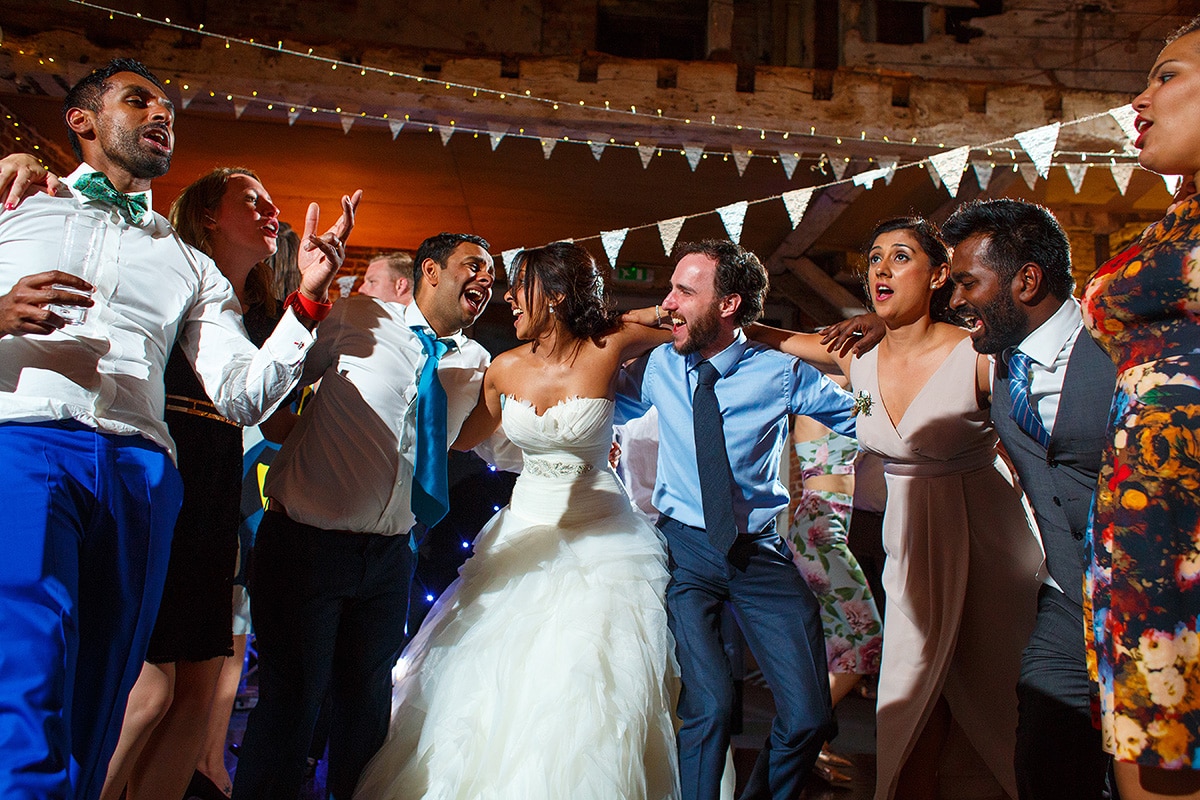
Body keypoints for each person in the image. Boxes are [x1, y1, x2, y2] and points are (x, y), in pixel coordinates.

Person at [0, 59, 356, 800]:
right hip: (28, 441)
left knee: (104, 692)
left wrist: (310, 301)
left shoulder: (191, 264)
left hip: (145, 471)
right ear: (83, 120)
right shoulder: (17, 205)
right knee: (29, 666)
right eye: (140, 102)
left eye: (169, 108)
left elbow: (242, 395)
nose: (162, 115)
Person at [353, 241, 678, 800]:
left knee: (583, 680)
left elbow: (681, 319)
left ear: (553, 295)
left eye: (520, 285)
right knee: (490, 679)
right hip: (525, 529)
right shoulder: (502, 368)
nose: (507, 297)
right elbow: (461, 437)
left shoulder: (609, 347)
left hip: (601, 539)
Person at [750, 218, 1044, 799]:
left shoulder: (980, 354)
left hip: (987, 544)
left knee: (996, 705)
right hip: (906, 548)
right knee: (907, 705)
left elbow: (1033, 454)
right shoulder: (856, 359)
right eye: (874, 256)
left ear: (939, 275)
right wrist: (674, 320)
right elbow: (768, 337)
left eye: (900, 256)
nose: (880, 268)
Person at [232, 232, 497, 800]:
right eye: (473, 266)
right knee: (293, 702)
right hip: (305, 542)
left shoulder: (475, 363)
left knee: (367, 709)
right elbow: (278, 388)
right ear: (429, 271)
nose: (486, 280)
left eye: (492, 275)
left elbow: (483, 440)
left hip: (389, 557)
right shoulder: (358, 316)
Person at [618, 239, 857, 800]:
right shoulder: (659, 364)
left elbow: (856, 413)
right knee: (709, 708)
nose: (668, 303)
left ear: (728, 305)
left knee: (807, 717)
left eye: (684, 291)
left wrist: (881, 384)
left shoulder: (780, 373)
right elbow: (600, 398)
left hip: (759, 556)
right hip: (685, 554)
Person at [941, 198, 1117, 800]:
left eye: (968, 282)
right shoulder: (996, 365)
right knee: (1044, 753)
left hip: (1147, 597)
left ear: (1027, 280)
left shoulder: (1117, 347)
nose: (956, 299)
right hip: (1068, 601)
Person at [1079, 15, 1200, 799]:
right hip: (1140, 535)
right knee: (1146, 769)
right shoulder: (1177, 219)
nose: (1141, 95)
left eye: (1170, 75)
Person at [786, 414, 883, 785]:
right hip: (819, 530)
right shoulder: (822, 394)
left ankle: (808, 742)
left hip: (829, 527)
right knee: (865, 640)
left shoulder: (846, 391)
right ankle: (800, 736)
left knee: (845, 644)